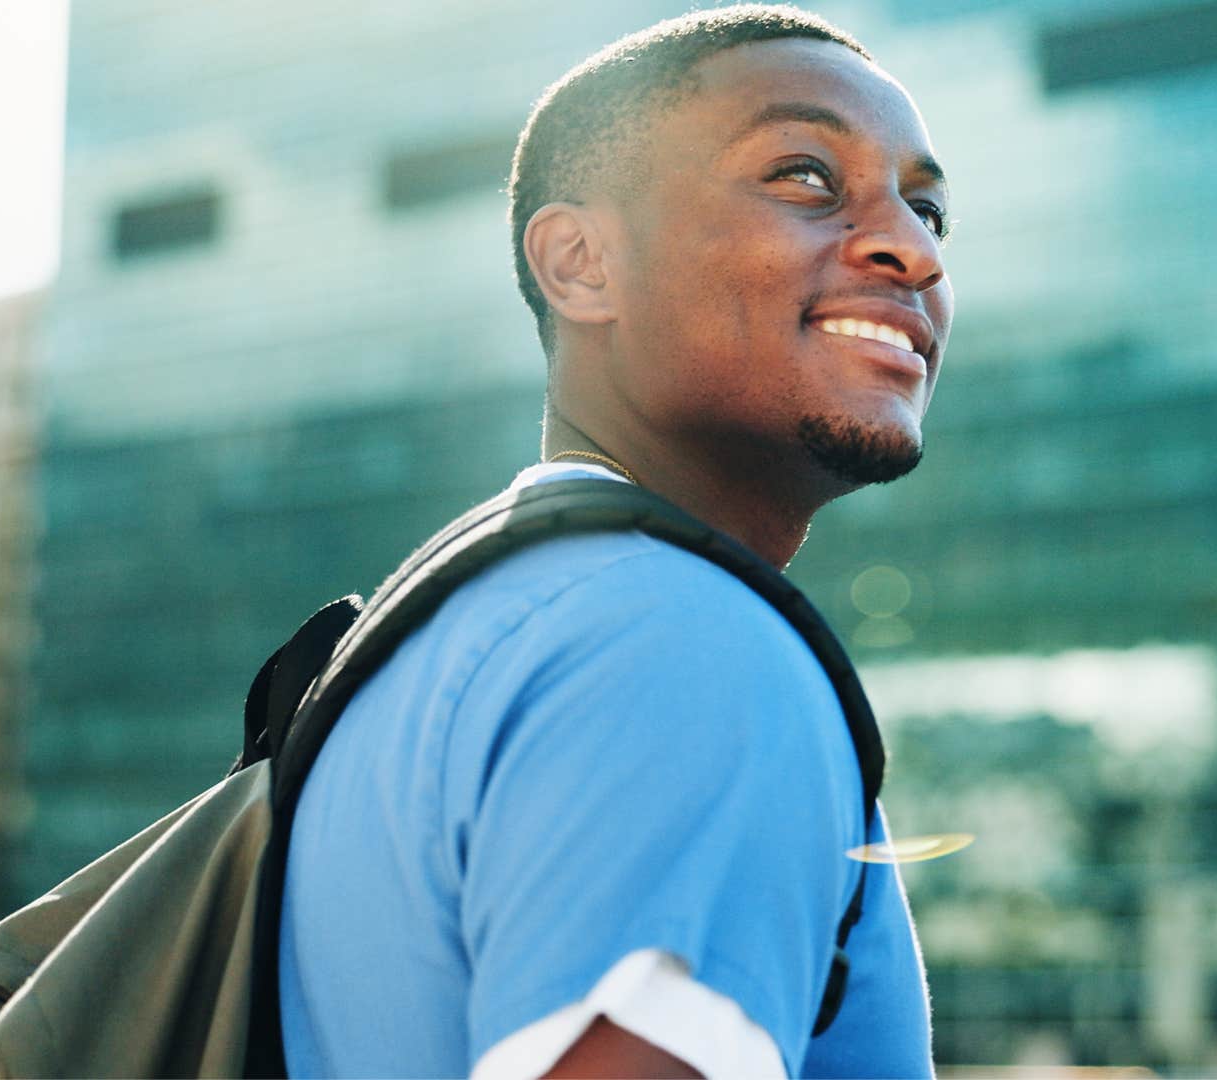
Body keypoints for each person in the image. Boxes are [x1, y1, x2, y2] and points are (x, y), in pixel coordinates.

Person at [275, 4, 953, 1078]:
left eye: (927, 210)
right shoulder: (688, 643)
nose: (911, 250)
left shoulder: (448, 647)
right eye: (806, 177)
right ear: (582, 263)